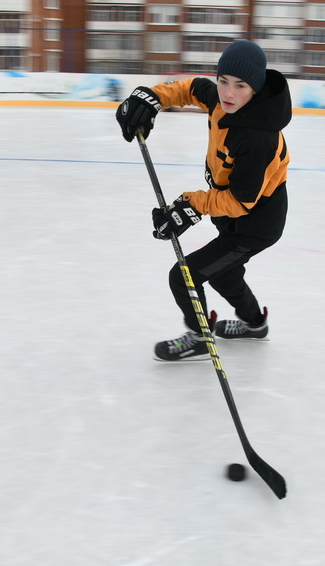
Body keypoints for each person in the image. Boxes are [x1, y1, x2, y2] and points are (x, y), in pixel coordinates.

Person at [116, 40, 292, 362]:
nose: (228, 92)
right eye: (223, 80)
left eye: (240, 86)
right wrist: (154, 97)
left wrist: (191, 205)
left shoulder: (257, 138)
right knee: (225, 274)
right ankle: (255, 324)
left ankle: (198, 336)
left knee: (184, 276)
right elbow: (189, 89)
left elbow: (241, 202)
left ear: (255, 89)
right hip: (234, 216)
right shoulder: (219, 99)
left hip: (255, 223)